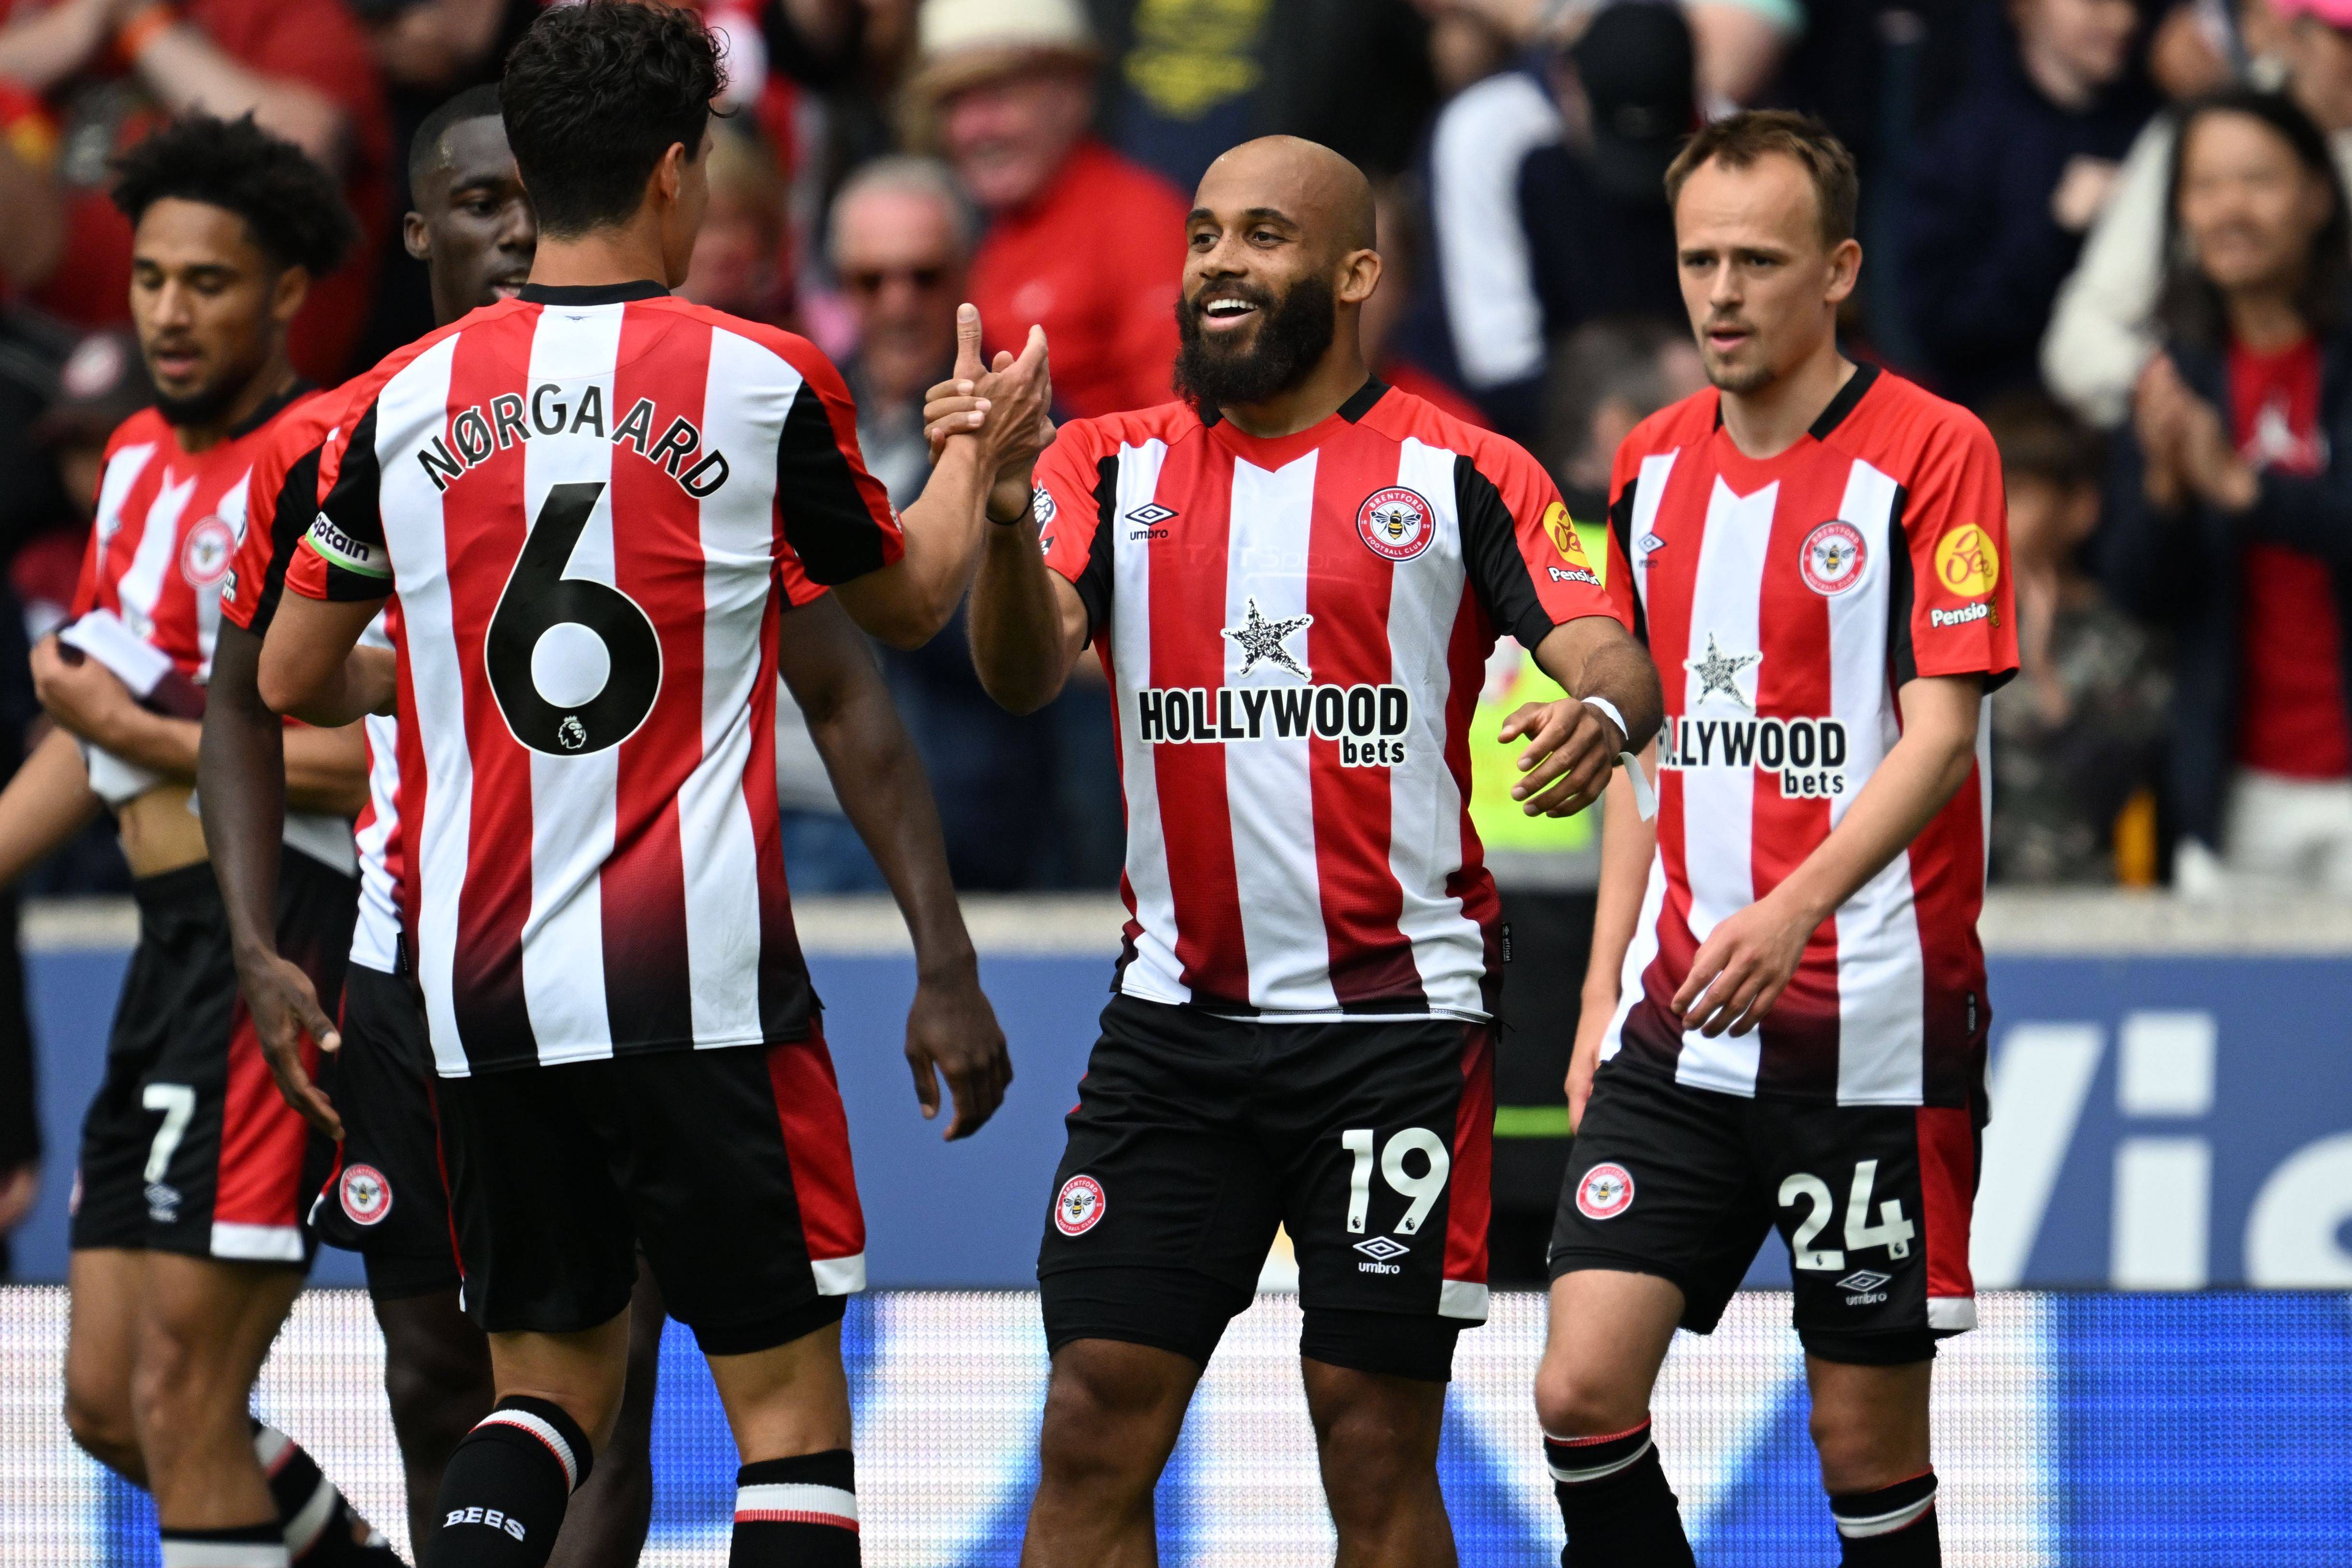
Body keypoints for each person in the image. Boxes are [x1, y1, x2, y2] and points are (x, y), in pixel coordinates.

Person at [253, 6, 1040, 1563]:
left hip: (481, 990)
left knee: (542, 1393)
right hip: (708, 989)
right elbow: (904, 608)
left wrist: (441, 622)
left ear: (531, 182)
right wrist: (974, 450)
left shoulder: (398, 402)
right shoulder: (760, 382)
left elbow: (286, 674)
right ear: (679, 175)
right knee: (791, 1416)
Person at [952, 133, 1662, 1562]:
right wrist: (1010, 505)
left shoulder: (1465, 468)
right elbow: (1025, 670)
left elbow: (1609, 644)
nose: (1218, 260)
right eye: (1205, 233)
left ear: (1353, 274)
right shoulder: (1105, 461)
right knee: (1093, 1408)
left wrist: (1596, 701)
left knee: (1372, 1426)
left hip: (1394, 1026)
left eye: (1262, 235)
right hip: (1175, 1026)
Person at [198, 85, 667, 1564]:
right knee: (431, 1371)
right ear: (417, 233)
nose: (519, 223)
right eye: (479, 201)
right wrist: (259, 938)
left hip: (630, 958)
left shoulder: (679, 404)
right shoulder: (349, 433)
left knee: (603, 1375)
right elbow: (238, 696)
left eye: (540, 191)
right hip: (406, 975)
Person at [1540, 112, 2015, 1566]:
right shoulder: (1650, 465)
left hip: (1869, 1035)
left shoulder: (1935, 452)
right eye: (1701, 260)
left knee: (1862, 1446)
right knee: (1576, 1386)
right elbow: (1655, 743)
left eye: (1759, 259)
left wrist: (1799, 903)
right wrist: (1597, 984)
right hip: (1678, 1027)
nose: (1723, 293)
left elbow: (1938, 735)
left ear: (1840, 271)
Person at [19, 112, 397, 1568]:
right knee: (111, 1402)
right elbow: (93, 721)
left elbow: (376, 756)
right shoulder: (126, 461)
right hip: (167, 949)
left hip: (284, 938)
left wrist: (140, 736)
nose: (171, 313)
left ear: (290, 289)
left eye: (212, 283)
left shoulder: (331, 461)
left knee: (185, 1389)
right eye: (153, 279)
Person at [2105, 88, 2352, 894]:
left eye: (2257, 180)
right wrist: (2169, 490)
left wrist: (2248, 490)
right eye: (2205, 187)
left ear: (2319, 194)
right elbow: (2141, 593)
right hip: (2237, 794)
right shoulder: (2176, 373)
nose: (2228, 209)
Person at [0, 0, 393, 380]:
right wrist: (67, 32)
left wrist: (142, 25)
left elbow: (300, 154)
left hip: (237, 393)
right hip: (45, 367)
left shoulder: (281, 11)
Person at [2042, 0, 2352, 424]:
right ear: (2285, 34)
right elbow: (2080, 340)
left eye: (2259, 181)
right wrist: (2191, 407)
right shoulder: (2209, 135)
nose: (2232, 206)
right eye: (2343, 37)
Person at [911, 0, 1187, 419]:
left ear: (1071, 94)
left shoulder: (1139, 221)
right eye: (954, 104)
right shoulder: (970, 226)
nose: (974, 130)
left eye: (998, 96)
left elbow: (1183, 430)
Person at [1903, 0, 2154, 407]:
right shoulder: (1967, 141)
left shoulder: (2152, 129)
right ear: (2023, 9)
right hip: (2003, 417)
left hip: (2122, 411)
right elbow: (1944, 325)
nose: (2123, 20)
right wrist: (2057, 229)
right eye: (2093, 3)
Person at [1984, 391, 2170, 885]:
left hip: (2086, 918)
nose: (1990, 515)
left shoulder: (2122, 644)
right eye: (1980, 493)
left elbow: (2117, 796)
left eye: (2017, 493)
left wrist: (2042, 672)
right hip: (1965, 916)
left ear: (2080, 509)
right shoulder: (1945, 626)